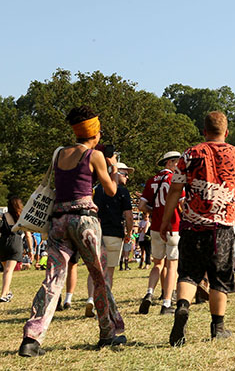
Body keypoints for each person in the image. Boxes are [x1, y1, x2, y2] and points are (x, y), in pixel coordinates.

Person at [19, 106, 125, 357]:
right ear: (95, 133)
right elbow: (110, 190)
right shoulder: (94, 156)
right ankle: (107, 333)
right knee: (99, 278)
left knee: (52, 279)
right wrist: (112, 167)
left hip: (58, 222)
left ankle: (31, 338)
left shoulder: (59, 154)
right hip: (85, 222)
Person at [159, 111, 235, 346]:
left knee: (188, 274)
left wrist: (165, 220)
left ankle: (182, 306)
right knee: (219, 277)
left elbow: (174, 191)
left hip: (191, 224)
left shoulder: (190, 154)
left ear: (204, 131)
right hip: (222, 226)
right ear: (226, 132)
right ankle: (217, 327)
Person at [138, 151, 183, 315]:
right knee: (172, 265)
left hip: (156, 226)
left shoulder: (152, 181)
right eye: (177, 162)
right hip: (173, 226)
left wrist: (155, 211)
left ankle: (149, 292)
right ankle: (166, 302)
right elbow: (181, 204)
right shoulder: (175, 179)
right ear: (170, 162)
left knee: (157, 263)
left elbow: (141, 207)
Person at [86, 161, 134, 318]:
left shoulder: (96, 190)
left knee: (95, 269)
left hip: (96, 232)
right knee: (109, 272)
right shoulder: (122, 192)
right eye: (125, 174)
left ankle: (91, 298)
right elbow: (128, 215)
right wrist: (129, 232)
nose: (127, 177)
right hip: (114, 233)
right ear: (117, 173)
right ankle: (104, 302)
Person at [1, 196, 34, 303]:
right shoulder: (22, 217)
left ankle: (7, 292)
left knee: (6, 270)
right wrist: (30, 250)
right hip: (15, 243)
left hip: (2, 244)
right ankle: (3, 294)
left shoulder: (3, 216)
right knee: (8, 271)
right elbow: (28, 235)